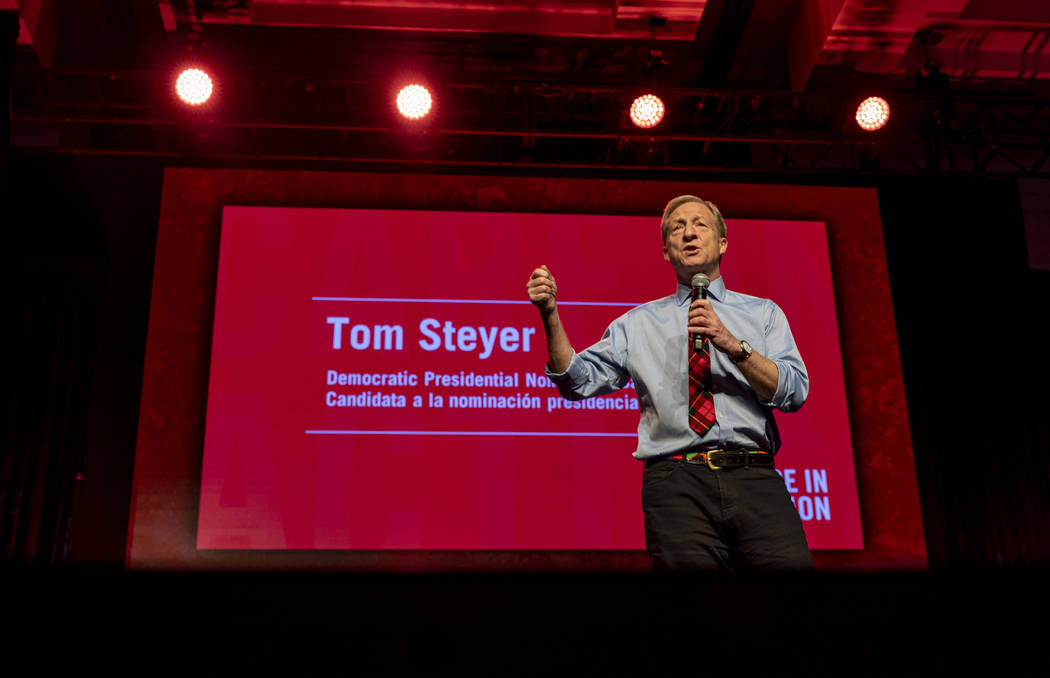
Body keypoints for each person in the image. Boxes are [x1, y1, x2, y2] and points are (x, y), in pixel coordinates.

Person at [526, 195, 813, 571]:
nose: (689, 233)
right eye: (677, 228)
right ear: (666, 252)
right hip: (677, 485)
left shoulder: (763, 313)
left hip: (755, 475)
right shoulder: (637, 323)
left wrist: (731, 344)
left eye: (699, 224)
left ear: (722, 243)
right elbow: (576, 382)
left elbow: (794, 391)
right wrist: (549, 315)